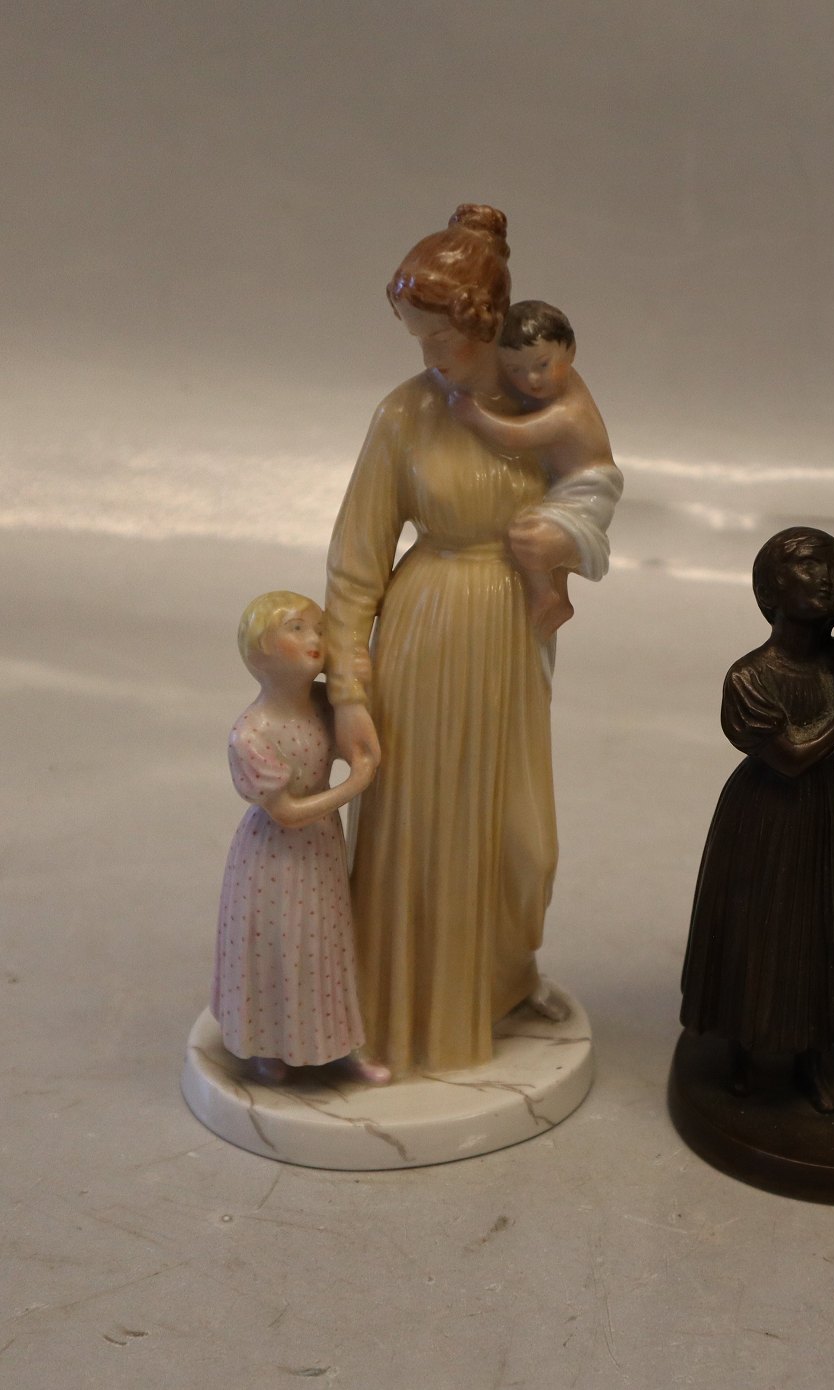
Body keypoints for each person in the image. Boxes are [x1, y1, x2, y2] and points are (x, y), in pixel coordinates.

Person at [325, 205, 617, 1076]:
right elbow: (356, 562)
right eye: (415, 338)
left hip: (508, 636)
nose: (427, 356)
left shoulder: (546, 400)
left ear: (485, 324)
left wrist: (565, 535)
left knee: (523, 843)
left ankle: (497, 979)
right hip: (425, 629)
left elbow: (595, 491)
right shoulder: (404, 415)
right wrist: (348, 689)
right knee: (420, 836)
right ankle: (411, 1009)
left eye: (439, 337)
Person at [680, 528, 834, 1113]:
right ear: (770, 589)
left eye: (827, 567)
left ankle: (811, 1059)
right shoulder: (750, 678)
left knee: (817, 927)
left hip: (815, 814)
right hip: (763, 816)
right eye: (804, 567)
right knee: (757, 929)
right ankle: (743, 1048)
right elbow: (790, 758)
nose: (821, 578)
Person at [212, 591, 388, 1086]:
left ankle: (343, 1044)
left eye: (318, 629)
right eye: (296, 629)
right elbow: (286, 814)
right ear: (259, 652)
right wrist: (353, 785)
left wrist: (355, 685)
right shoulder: (250, 734)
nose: (314, 639)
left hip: (320, 850)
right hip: (274, 857)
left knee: (325, 946)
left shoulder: (322, 705)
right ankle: (269, 1045)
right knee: (278, 944)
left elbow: (358, 738)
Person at [447, 299, 622, 640]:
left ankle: (548, 596)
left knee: (528, 536)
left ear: (570, 351)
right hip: (563, 484)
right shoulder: (556, 386)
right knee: (537, 535)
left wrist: (475, 415)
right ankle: (554, 591)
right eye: (515, 370)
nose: (531, 379)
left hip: (588, 490)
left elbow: (516, 436)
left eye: (542, 365)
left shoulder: (569, 412)